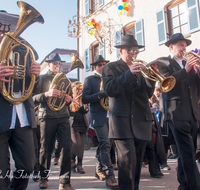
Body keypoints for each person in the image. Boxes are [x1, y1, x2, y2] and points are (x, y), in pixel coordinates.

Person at [102, 35, 156, 190]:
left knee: (137, 164)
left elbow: (146, 94)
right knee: (127, 163)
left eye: (136, 51)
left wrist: (151, 78)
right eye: (130, 50)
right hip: (122, 123)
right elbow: (110, 89)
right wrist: (129, 74)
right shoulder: (110, 68)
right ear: (121, 51)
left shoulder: (140, 69)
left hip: (141, 121)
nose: (133, 54)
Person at [157, 33, 200, 190]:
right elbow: (165, 84)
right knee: (188, 153)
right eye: (181, 45)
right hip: (176, 113)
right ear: (171, 47)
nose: (184, 48)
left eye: (185, 45)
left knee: (187, 152)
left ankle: (184, 185)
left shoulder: (191, 64)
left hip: (193, 113)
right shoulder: (164, 63)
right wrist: (185, 70)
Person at [0, 46, 41, 190]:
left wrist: (36, 76)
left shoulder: (25, 53)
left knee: (28, 167)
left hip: (22, 117)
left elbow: (34, 88)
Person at [33, 53, 74, 190]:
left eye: (59, 63)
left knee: (67, 147)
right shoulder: (42, 78)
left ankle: (64, 181)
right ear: (48, 64)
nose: (57, 65)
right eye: (55, 63)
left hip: (63, 116)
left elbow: (70, 99)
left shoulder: (66, 80)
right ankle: (43, 177)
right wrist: (46, 94)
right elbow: (32, 99)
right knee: (46, 148)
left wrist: (68, 99)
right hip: (47, 116)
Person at [82, 55, 118, 189]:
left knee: (108, 143)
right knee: (105, 143)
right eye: (99, 65)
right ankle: (109, 175)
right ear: (95, 67)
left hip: (111, 114)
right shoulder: (90, 79)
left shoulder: (110, 77)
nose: (102, 67)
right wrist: (100, 94)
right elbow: (84, 99)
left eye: (104, 64)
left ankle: (99, 168)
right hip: (99, 115)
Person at [70, 81, 89, 174]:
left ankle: (80, 164)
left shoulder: (83, 99)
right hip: (73, 125)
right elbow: (69, 111)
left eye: (82, 89)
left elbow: (86, 110)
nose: (81, 91)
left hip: (83, 124)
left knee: (81, 146)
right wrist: (72, 102)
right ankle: (72, 160)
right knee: (77, 143)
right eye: (79, 89)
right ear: (75, 90)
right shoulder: (71, 99)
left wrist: (80, 104)